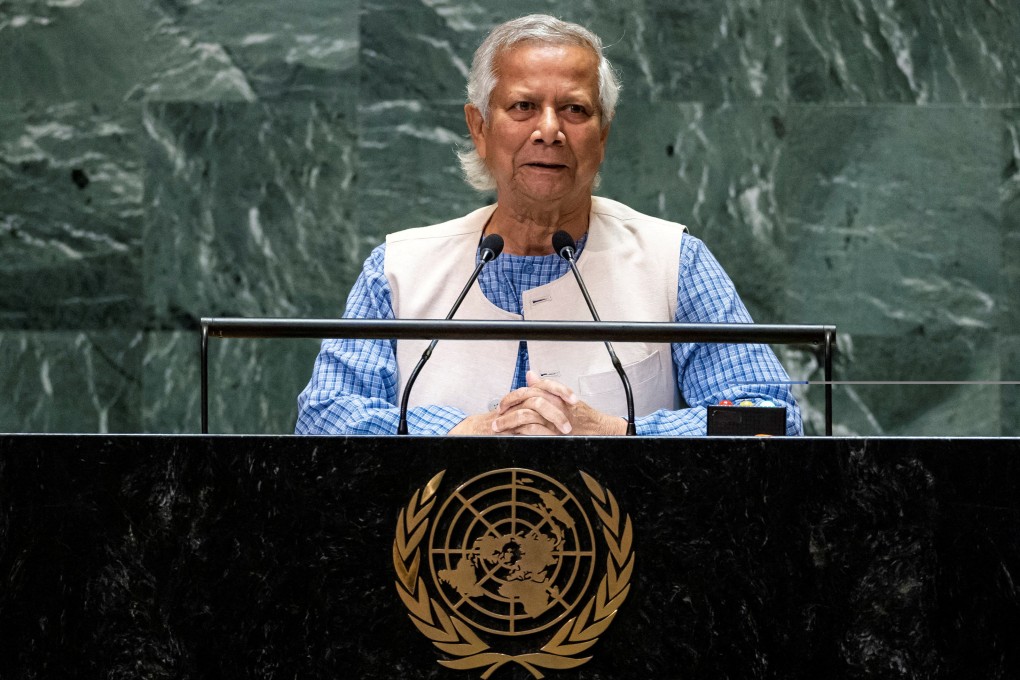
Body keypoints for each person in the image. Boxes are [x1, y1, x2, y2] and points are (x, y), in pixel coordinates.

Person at [295, 14, 802, 437]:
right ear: (480, 128)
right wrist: (460, 432)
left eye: (575, 110)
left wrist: (618, 433)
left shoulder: (675, 261)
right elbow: (322, 418)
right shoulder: (400, 269)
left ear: (602, 136)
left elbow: (770, 419)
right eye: (523, 106)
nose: (549, 130)